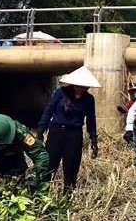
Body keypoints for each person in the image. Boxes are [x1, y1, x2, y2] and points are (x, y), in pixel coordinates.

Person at [37, 65, 101, 194]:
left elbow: (91, 119)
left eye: (84, 86)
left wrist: (93, 138)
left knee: (71, 168)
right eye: (78, 86)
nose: (80, 89)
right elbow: (48, 111)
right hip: (56, 132)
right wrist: (40, 131)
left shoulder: (89, 99)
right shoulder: (60, 93)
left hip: (74, 135)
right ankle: (42, 195)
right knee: (50, 165)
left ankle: (67, 197)